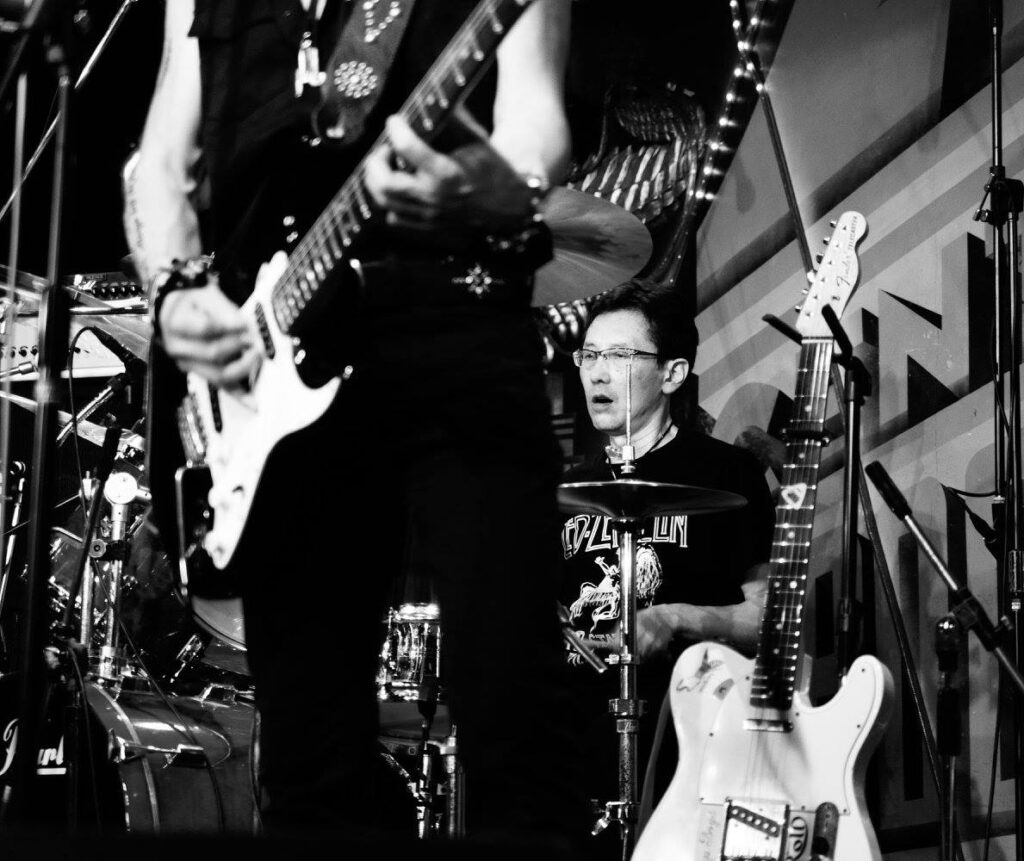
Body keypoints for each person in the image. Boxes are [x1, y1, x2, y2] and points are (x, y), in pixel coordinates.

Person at [125, 0, 586, 851]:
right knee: (306, 761)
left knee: (513, 712)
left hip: (456, 321)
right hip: (271, 366)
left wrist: (488, 185)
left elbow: (536, 125)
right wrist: (173, 289)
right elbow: (159, 162)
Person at [558, 278, 774, 849]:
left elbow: (769, 620)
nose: (597, 373)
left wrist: (674, 617)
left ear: (673, 373)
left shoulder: (727, 473)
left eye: (619, 355)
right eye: (589, 355)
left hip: (691, 745)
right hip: (572, 751)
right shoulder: (564, 489)